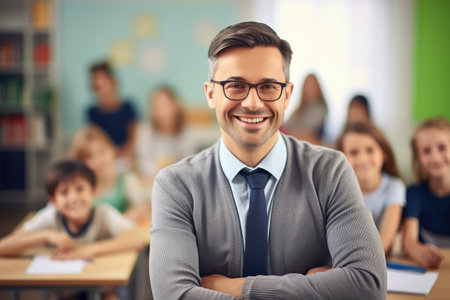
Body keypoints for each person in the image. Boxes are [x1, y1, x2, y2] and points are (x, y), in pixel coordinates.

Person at [149, 21, 386, 299]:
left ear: (287, 95)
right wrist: (313, 289)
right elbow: (172, 295)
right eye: (235, 85)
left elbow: (367, 286)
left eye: (268, 86)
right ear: (211, 94)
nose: (252, 103)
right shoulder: (175, 184)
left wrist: (237, 287)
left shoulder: (330, 171)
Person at [0, 160, 145, 298]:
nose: (73, 198)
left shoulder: (103, 213)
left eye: (80, 189)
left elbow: (137, 239)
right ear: (53, 201)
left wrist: (89, 249)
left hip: (100, 289)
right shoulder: (51, 217)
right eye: (64, 193)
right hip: (63, 292)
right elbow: (3, 247)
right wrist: (45, 236)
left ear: (94, 192)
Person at [336, 122, 405, 254]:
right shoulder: (338, 190)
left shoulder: (394, 187)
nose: (362, 159)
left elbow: (384, 242)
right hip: (345, 262)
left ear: (384, 154)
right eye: (354, 152)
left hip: (374, 261)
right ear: (341, 158)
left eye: (370, 150)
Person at [71, 125, 150, 223]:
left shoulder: (126, 179)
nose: (98, 161)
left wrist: (116, 223)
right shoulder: (78, 188)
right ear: (80, 163)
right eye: (89, 157)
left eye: (101, 152)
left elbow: (142, 208)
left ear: (112, 150)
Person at [402, 117, 450, 268]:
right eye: (426, 151)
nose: (435, 157)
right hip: (427, 270)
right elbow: (409, 241)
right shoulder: (414, 193)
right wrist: (418, 252)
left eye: (442, 147)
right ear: (417, 158)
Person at [135, 86, 195, 187]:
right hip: (152, 180)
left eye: (165, 105)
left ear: (175, 106)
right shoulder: (146, 130)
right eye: (157, 107)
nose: (162, 112)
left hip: (178, 181)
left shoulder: (186, 132)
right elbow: (143, 159)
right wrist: (156, 171)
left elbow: (189, 159)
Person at [86, 60, 138, 168]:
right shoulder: (92, 112)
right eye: (97, 86)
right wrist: (112, 155)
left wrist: (125, 155)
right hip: (105, 162)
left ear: (113, 82)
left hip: (128, 160)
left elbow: (134, 137)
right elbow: (98, 140)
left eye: (104, 82)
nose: (102, 89)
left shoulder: (128, 107)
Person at [282, 73, 328, 144]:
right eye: (308, 85)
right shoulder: (299, 109)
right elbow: (287, 125)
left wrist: (290, 133)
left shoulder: (320, 108)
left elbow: (309, 133)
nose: (310, 88)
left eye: (312, 85)